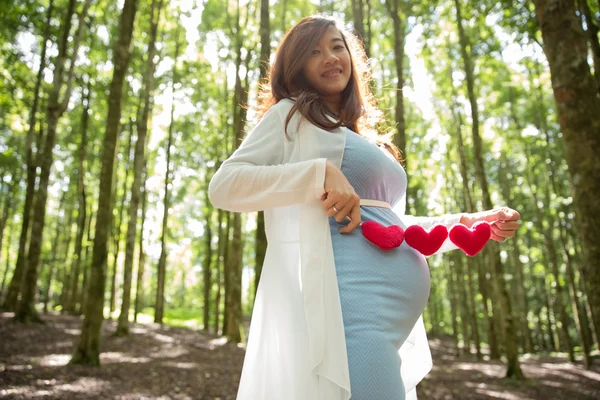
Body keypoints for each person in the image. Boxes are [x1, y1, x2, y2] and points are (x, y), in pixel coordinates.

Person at [209, 15, 520, 400]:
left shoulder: (362, 138)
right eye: (314, 51)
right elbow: (224, 186)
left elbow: (388, 225)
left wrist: (466, 223)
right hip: (350, 311)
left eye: (337, 47)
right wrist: (318, 173)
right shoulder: (291, 116)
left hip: (388, 319)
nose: (330, 57)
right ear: (297, 67)